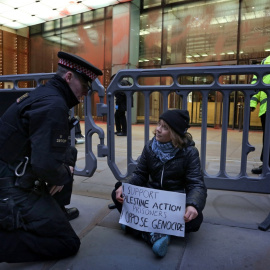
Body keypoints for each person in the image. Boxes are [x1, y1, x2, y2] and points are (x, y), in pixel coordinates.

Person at [0, 51, 102, 262]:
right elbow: (45, 165)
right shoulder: (53, 105)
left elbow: (51, 151)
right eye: (84, 86)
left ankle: (53, 210)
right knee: (67, 242)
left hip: (15, 172)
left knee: (68, 155)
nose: (85, 93)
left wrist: (62, 170)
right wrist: (62, 174)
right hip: (11, 185)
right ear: (69, 77)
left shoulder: (45, 94)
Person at [111, 109, 207, 258]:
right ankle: (153, 234)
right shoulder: (150, 147)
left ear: (174, 133)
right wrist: (125, 184)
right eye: (159, 124)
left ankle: (136, 227)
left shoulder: (189, 152)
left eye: (165, 127)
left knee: (196, 219)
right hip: (151, 200)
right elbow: (140, 174)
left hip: (173, 203)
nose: (158, 129)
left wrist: (193, 205)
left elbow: (196, 184)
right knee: (117, 192)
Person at [250, 56, 270, 174]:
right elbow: (255, 85)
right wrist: (252, 102)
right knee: (267, 138)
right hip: (266, 109)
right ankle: (266, 164)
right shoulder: (265, 61)